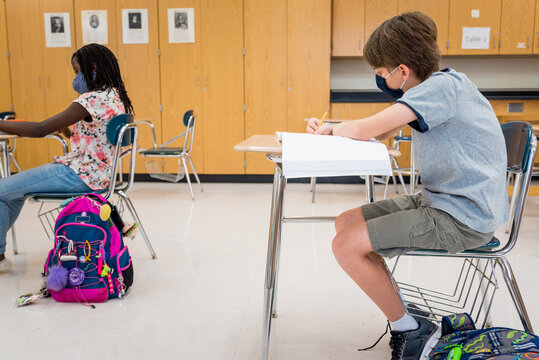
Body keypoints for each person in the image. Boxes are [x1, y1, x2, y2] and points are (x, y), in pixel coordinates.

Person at [307, 12, 508, 360]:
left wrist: (337, 129)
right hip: (443, 201)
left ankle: (411, 331)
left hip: (464, 217)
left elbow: (366, 129)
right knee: (346, 223)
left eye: (380, 71)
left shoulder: (442, 88)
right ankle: (402, 311)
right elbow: (381, 130)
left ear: (402, 71)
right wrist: (336, 128)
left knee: (345, 246)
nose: (378, 78)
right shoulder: (438, 89)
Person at [0, 43, 133, 274]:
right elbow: (98, 140)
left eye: (76, 71)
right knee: (13, 193)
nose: (75, 78)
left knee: (2, 190)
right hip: (97, 175)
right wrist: (69, 133)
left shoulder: (90, 99)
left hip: (79, 174)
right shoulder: (115, 96)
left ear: (92, 67)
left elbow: (40, 128)